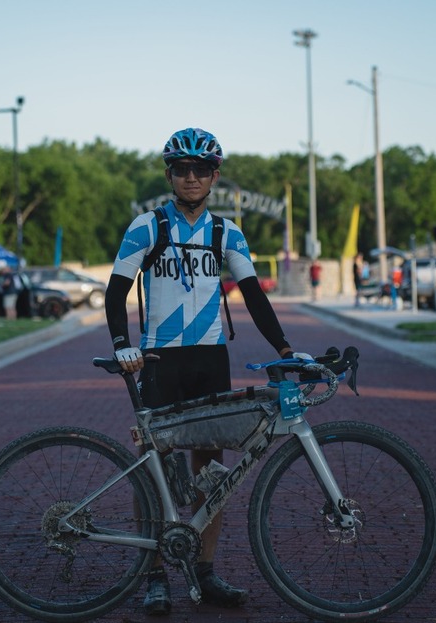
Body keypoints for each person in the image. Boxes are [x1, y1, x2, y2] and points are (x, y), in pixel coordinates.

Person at [104, 128, 310, 616]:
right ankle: (153, 574)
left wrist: (284, 347)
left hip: (209, 357)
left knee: (211, 468)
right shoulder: (146, 226)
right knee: (155, 468)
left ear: (215, 175)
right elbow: (115, 292)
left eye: (200, 169)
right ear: (170, 174)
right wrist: (121, 345)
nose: (191, 177)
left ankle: (205, 568)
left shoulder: (226, 232)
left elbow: (254, 295)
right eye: (181, 169)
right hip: (159, 359)